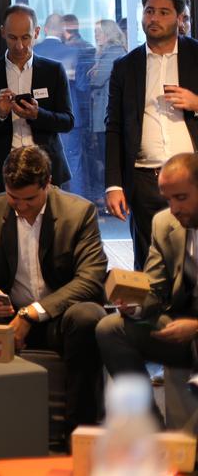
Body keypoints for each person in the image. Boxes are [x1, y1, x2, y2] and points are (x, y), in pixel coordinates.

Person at [0, 146, 107, 433]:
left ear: (47, 183)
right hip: (5, 317)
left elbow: (91, 278)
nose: (21, 207)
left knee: (88, 317)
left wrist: (31, 314)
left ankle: (77, 431)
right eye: (13, 198)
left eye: (29, 199)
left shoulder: (78, 213)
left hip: (57, 317)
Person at [97, 152, 198, 416]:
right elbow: (153, 288)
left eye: (181, 197)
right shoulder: (164, 223)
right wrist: (135, 305)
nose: (173, 208)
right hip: (178, 325)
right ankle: (149, 426)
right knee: (111, 329)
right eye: (168, 199)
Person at [105, 0, 198, 270]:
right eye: (149, 11)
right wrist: (114, 185)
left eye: (163, 12)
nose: (154, 18)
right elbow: (114, 127)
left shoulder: (196, 55)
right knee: (149, 264)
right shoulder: (125, 66)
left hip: (193, 177)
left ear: (180, 18)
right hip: (146, 180)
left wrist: (196, 103)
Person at [0, 3, 74, 197]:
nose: (19, 46)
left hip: (47, 169)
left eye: (25, 37)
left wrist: (37, 115)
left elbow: (68, 122)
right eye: (12, 37)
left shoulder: (53, 71)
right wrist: (0, 114)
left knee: (51, 218)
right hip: (3, 170)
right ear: (2, 32)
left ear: (37, 33)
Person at [89, 19, 129, 203]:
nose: (96, 35)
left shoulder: (113, 53)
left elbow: (95, 80)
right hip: (104, 116)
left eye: (99, 32)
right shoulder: (107, 53)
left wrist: (94, 72)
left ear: (108, 33)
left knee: (108, 160)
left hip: (106, 116)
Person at [62, 14, 97, 198]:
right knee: (77, 161)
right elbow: (84, 86)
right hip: (82, 112)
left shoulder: (69, 50)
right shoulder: (88, 47)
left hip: (67, 112)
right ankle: (80, 203)